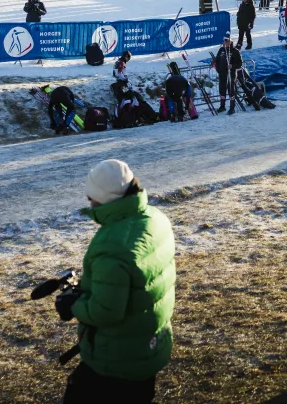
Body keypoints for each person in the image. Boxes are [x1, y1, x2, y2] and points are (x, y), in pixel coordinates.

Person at [58, 160, 175, 404]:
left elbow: (105, 311)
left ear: (104, 198)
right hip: (148, 346)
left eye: (91, 198)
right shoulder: (154, 217)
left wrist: (74, 305)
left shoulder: (112, 246)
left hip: (118, 358)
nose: (89, 203)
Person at [213, 36, 242, 114]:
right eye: (224, 41)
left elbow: (240, 63)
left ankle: (232, 107)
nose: (225, 43)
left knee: (231, 91)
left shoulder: (235, 51)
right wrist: (217, 67)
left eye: (227, 41)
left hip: (231, 75)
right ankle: (222, 106)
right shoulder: (221, 50)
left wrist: (232, 66)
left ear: (231, 42)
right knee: (222, 90)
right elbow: (217, 59)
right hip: (222, 74)